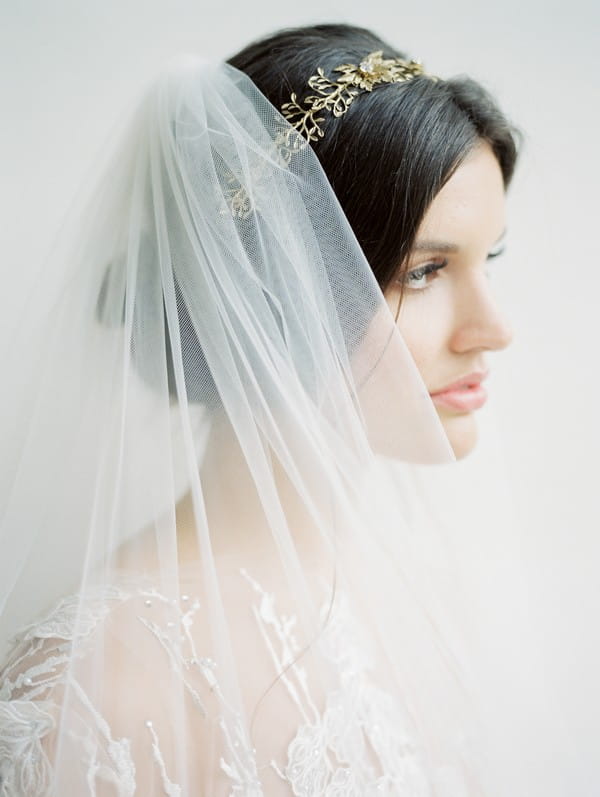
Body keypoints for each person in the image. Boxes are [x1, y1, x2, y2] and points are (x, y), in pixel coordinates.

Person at [0, 22, 529, 796]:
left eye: (490, 260)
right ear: (271, 286)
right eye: (423, 272)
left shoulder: (422, 592)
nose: (495, 330)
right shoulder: (91, 692)